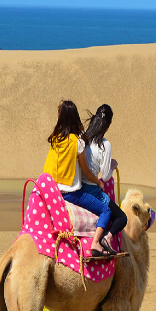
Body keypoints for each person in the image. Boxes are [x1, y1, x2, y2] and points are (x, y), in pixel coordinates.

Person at [43, 100, 112, 257]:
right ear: (75, 118)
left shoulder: (54, 139)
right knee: (106, 210)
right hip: (71, 194)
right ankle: (95, 243)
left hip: (53, 193)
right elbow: (86, 172)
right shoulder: (78, 142)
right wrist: (98, 182)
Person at [80, 104, 128, 255]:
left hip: (76, 187)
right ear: (107, 127)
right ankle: (106, 238)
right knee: (121, 218)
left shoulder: (83, 137)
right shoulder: (105, 145)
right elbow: (106, 176)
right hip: (92, 190)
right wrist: (112, 166)